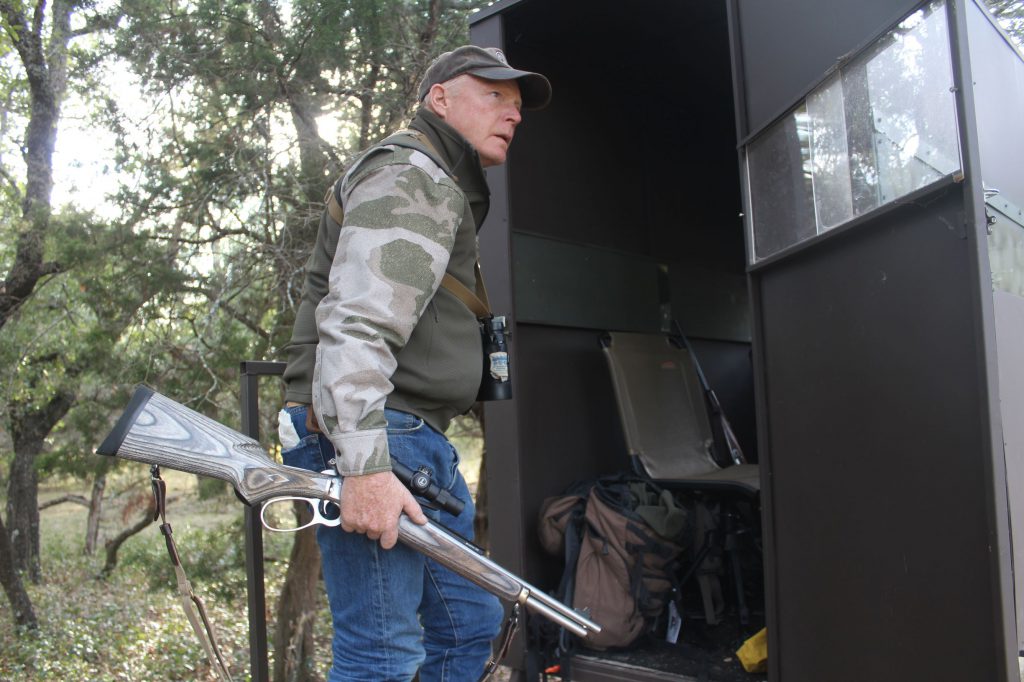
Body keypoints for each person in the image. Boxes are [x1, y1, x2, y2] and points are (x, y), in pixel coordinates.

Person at [277, 45, 551, 682]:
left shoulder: (442, 181)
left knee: (468, 625)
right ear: (440, 99)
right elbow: (358, 324)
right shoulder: (415, 175)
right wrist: (364, 466)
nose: (512, 115)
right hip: (377, 437)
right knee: (383, 653)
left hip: (412, 441)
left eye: (516, 106)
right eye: (494, 96)